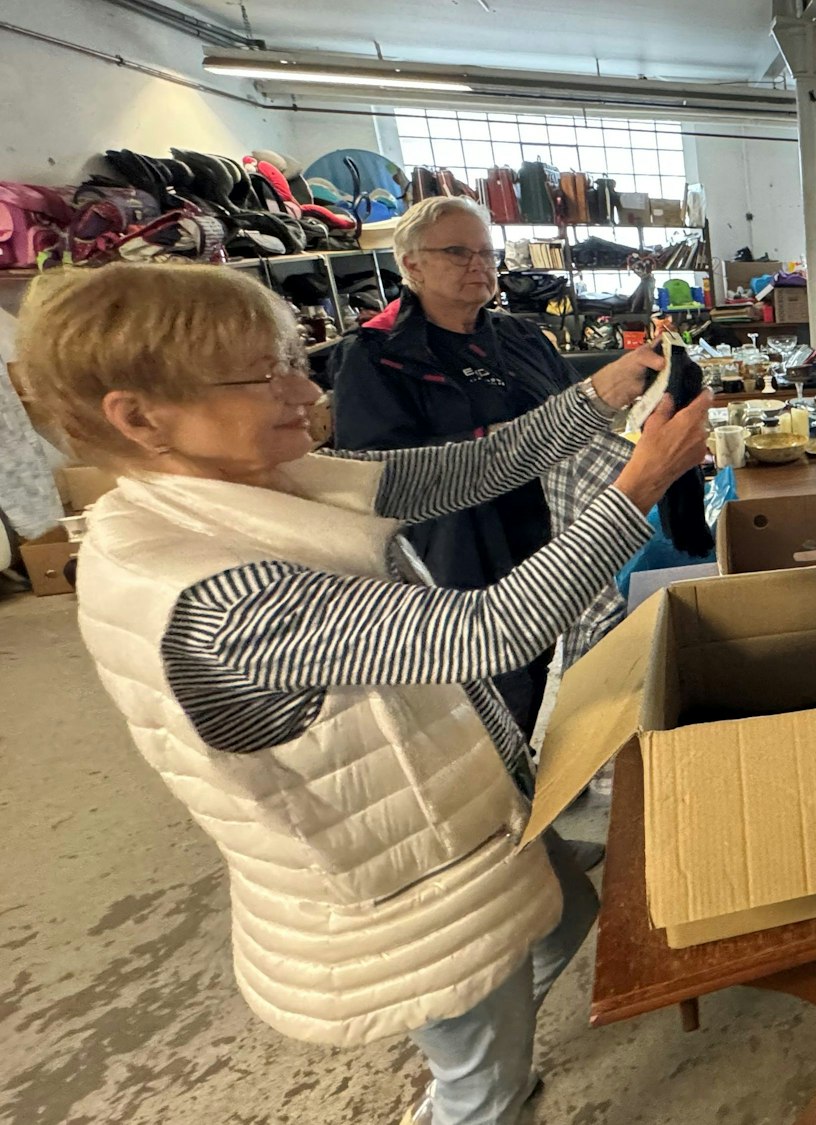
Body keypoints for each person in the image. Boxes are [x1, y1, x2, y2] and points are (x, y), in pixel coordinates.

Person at [17, 262, 711, 1125]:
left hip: (444, 814)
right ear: (138, 415)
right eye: (262, 374)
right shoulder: (216, 590)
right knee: (480, 1082)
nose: (302, 387)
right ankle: (473, 1093)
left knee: (562, 918)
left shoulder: (257, 484)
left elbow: (469, 471)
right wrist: (638, 486)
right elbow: (486, 630)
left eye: (289, 359)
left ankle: (481, 1060)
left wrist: (598, 394)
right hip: (401, 876)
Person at [329, 196, 592, 738]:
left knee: (538, 663)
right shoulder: (376, 355)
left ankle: (533, 785)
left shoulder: (520, 338)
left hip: (541, 535)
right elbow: (374, 471)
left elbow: (578, 408)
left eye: (486, 254)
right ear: (411, 264)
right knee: (485, 690)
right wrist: (491, 441)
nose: (479, 265)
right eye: (457, 252)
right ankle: (500, 806)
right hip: (458, 554)